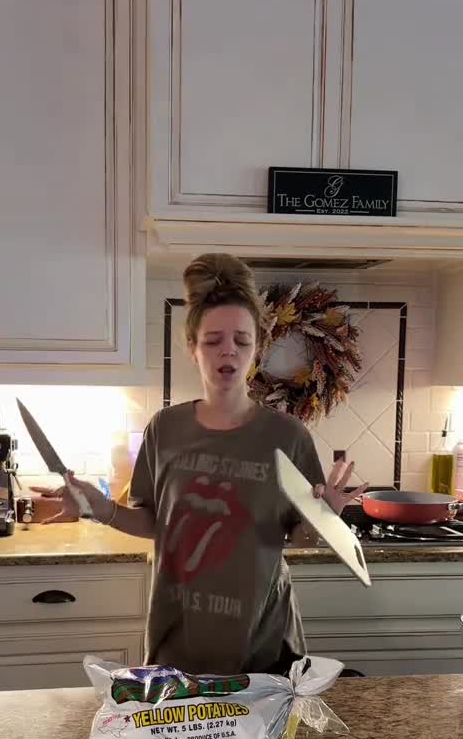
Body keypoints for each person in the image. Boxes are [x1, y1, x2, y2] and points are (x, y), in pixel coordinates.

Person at [34, 253, 366, 676]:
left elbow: (298, 539)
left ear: (257, 349)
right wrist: (100, 509)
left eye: (242, 340)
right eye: (213, 340)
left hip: (262, 643)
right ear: (192, 349)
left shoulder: (287, 436)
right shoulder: (165, 429)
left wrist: (326, 517)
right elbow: (156, 522)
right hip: (179, 635)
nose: (228, 350)